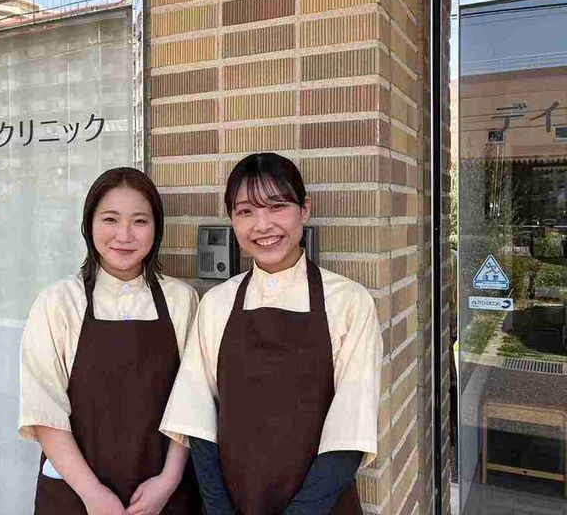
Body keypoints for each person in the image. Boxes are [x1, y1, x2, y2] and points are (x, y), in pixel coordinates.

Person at [160, 153, 383, 514]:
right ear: (232, 219)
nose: (262, 225)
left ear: (304, 209)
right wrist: (219, 509)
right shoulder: (216, 303)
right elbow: (197, 417)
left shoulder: (349, 302)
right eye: (246, 211)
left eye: (277, 206)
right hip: (235, 503)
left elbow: (351, 429)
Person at [19, 167, 201, 514]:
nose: (124, 235)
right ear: (89, 225)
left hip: (162, 497)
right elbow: (44, 412)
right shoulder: (58, 302)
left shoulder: (182, 300)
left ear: (156, 228)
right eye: (110, 219)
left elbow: (192, 401)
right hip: (75, 495)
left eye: (140, 221)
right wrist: (93, 495)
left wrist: (169, 480)